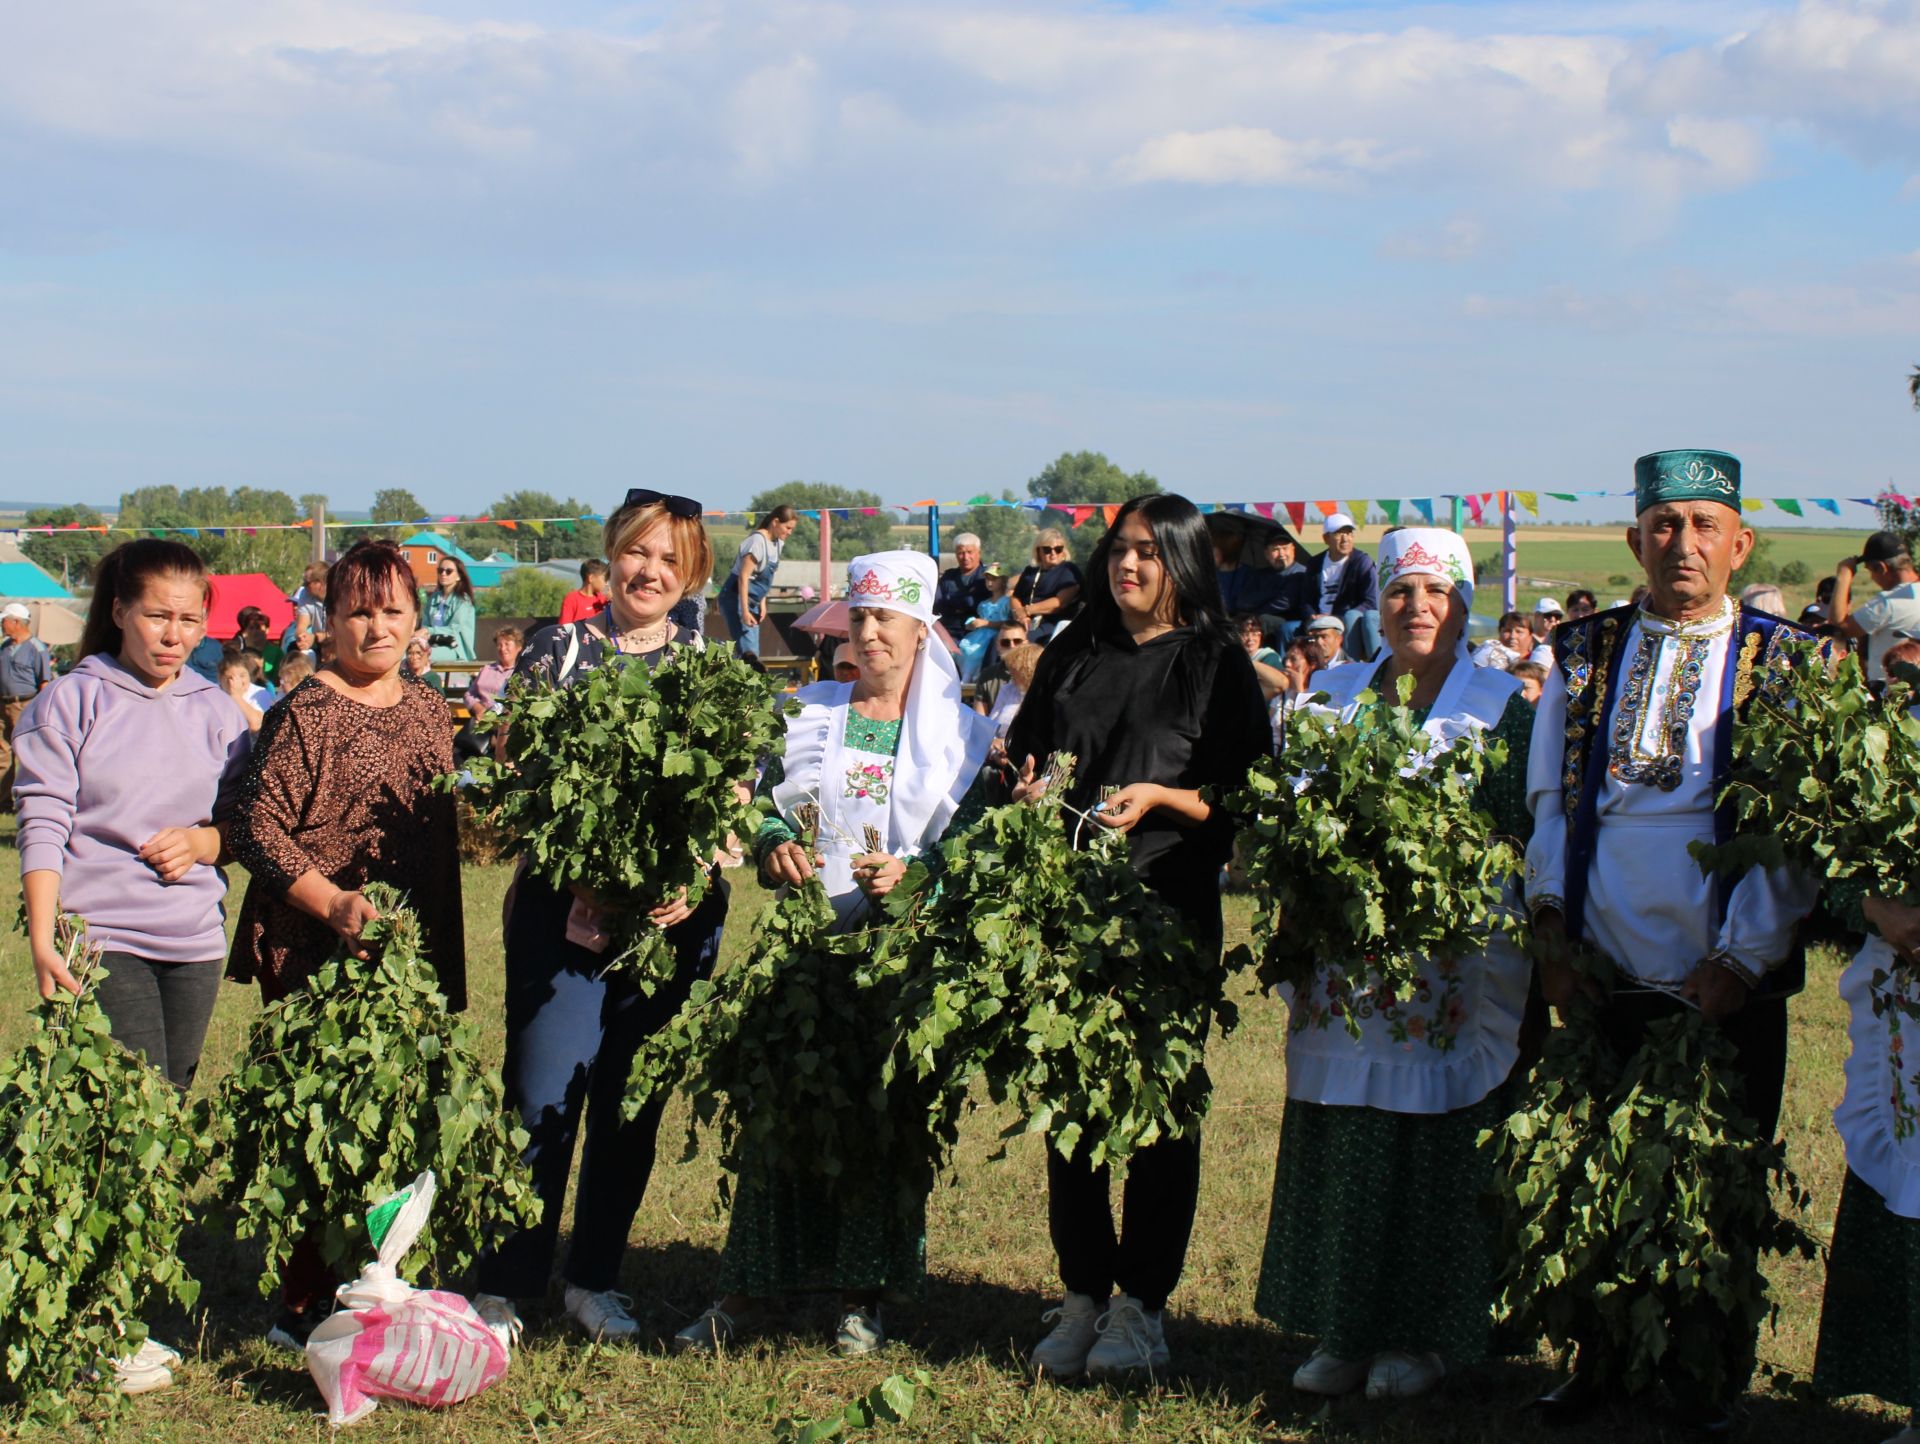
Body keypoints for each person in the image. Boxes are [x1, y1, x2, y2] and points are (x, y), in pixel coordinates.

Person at [1524, 449, 1823, 1430]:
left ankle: (1702, 1376)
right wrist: (1555, 936)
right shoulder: (1583, 651)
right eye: (1664, 524)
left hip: (1721, 969)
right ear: (1632, 539)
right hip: (1601, 963)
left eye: (1704, 525)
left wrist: (1739, 960)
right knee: (1595, 1169)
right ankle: (1601, 1360)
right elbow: (1550, 805)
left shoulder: (1784, 658)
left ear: (1740, 543)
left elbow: (1785, 830)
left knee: (1714, 1175)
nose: (1682, 544)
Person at [674, 550, 996, 1358]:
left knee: (878, 1118)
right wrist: (777, 841)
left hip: (896, 958)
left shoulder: (960, 738)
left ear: (922, 634)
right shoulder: (810, 713)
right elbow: (766, 811)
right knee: (781, 1113)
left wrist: (919, 874)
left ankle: (863, 1297)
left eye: (888, 618)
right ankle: (748, 1290)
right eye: (860, 617)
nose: (871, 633)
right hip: (805, 953)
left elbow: (969, 846)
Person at [1257, 527, 1533, 1403]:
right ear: (1378, 608)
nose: (1418, 609)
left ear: (1463, 605)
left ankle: (1423, 1336)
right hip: (1346, 971)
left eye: (1437, 593)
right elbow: (1291, 818)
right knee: (1347, 1129)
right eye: (1402, 594)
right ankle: (1345, 1327)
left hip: (1447, 969)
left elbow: (1520, 833)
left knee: (1431, 1142)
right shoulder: (1333, 696)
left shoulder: (1502, 707)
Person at [1007, 494, 1269, 1381]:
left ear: (1184, 564)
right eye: (1119, 550)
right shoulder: (1074, 650)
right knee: (1070, 1107)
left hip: (1168, 909)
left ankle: (1142, 1309)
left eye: (1150, 554)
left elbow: (1247, 800)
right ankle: (1082, 1295)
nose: (1129, 566)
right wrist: (1027, 791)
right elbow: (1024, 755)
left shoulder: (1214, 664)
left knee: (1159, 1115)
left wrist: (1163, 799)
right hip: (1067, 913)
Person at [471, 488, 732, 1347]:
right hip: (566, 914)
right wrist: (588, 878)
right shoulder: (560, 649)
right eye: (638, 553)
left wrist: (694, 871)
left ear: (690, 571)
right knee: (544, 1092)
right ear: (612, 555)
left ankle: (594, 1279)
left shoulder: (706, 656)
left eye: (671, 559)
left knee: (630, 1105)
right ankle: (507, 1283)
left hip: (672, 921)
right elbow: (527, 783)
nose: (651, 571)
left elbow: (739, 779)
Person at [11, 538, 253, 1398]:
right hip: (98, 936)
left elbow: (244, 822)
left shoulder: (218, 710)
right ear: (119, 609)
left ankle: (128, 1299)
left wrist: (207, 842)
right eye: (158, 615)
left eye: (192, 620)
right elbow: (43, 818)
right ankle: (105, 1318)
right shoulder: (71, 700)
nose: (174, 635)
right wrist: (43, 936)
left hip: (190, 940)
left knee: (164, 1115)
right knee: (127, 1116)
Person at [227, 539, 465, 1350]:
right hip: (313, 944)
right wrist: (331, 903)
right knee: (323, 1120)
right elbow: (253, 826)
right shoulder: (309, 709)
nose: (376, 627)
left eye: (393, 610)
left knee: (396, 1114)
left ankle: (379, 1283)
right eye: (358, 611)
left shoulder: (433, 708)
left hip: (407, 950)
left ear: (415, 618)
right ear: (329, 620)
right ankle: (301, 1305)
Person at [1832, 530, 1920, 684]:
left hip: (1888, 684)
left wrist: (1844, 576)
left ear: (1881, 568)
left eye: (1871, 571)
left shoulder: (1888, 603)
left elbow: (1838, 626)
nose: (1873, 578)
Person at [719, 505, 799, 656]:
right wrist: (744, 611)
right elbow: (743, 577)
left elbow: (765, 577)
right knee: (748, 652)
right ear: (775, 522)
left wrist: (763, 603)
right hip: (736, 597)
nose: (790, 532)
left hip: (753, 600)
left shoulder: (777, 543)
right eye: (787, 528)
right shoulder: (757, 542)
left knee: (752, 651)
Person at [1301, 513, 1380, 662]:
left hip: (1345, 618)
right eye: (1339, 533)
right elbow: (1305, 599)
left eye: (1349, 533)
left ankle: (1350, 665)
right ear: (1326, 538)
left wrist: (1336, 618)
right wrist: (1311, 615)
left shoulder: (1362, 562)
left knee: (1352, 616)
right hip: (1318, 617)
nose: (1345, 539)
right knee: (1286, 628)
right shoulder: (1315, 563)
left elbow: (1370, 602)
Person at [0, 602, 54, 812]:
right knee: (3, 754)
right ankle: (3, 801)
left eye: (5, 620)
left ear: (16, 622)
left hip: (25, 704)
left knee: (27, 753)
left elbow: (44, 682)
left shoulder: (36, 648)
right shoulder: (4, 647)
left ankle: (29, 800)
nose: (2, 624)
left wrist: (41, 711)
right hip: (3, 704)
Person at [1011, 530, 1084, 645]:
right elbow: (1015, 597)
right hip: (1024, 621)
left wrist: (1027, 610)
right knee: (999, 640)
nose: (1053, 553)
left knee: (1022, 641)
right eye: (1047, 550)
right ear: (1038, 551)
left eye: (1058, 549)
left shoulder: (1068, 569)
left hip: (1051, 622)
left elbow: (1060, 602)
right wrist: (1021, 616)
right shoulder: (1030, 571)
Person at [957, 564, 1014, 683]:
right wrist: (973, 624)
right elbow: (980, 620)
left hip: (993, 635)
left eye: (994, 579)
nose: (990, 582)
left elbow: (1006, 622)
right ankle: (966, 678)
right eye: (987, 579)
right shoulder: (984, 604)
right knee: (964, 649)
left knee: (975, 653)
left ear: (1003, 581)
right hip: (979, 635)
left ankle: (974, 678)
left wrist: (985, 623)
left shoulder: (1006, 602)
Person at [422, 553, 477, 665]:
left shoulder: (463, 601)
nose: (443, 574)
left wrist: (428, 631)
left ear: (458, 576)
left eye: (449, 571)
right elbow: (424, 625)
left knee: (419, 655)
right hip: (431, 644)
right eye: (440, 570)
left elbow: (454, 630)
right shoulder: (433, 598)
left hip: (454, 648)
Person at [935, 532, 990, 639]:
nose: (965, 557)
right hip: (948, 631)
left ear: (979, 553)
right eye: (961, 553)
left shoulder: (988, 577)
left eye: (970, 552)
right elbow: (937, 604)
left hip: (978, 633)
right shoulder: (948, 577)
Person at [1234, 611, 1291, 699]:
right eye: (1245, 634)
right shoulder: (1231, 659)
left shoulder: (1270, 658)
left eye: (1255, 633)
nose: (1250, 639)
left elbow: (1279, 686)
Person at [281, 561, 329, 652]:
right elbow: (301, 626)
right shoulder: (305, 594)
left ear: (320, 583)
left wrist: (315, 638)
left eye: (307, 583)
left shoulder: (340, 597)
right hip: (320, 646)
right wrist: (302, 637)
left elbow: (341, 633)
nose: (303, 586)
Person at [233, 605, 283, 682]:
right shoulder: (239, 650)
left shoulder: (276, 653)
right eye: (251, 628)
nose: (254, 631)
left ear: (267, 630)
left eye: (258, 628)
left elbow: (280, 679)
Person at [217, 655, 267, 732]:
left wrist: (235, 696)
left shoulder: (259, 693)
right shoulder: (212, 692)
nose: (238, 681)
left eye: (242, 676)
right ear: (220, 678)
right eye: (231, 678)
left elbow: (256, 725)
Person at [559, 559, 610, 625]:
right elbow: (564, 626)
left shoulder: (602, 597)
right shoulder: (572, 598)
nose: (606, 583)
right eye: (605, 579)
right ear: (591, 578)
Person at [1527, 597, 1563, 664]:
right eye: (1548, 615)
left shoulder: (1561, 642)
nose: (1553, 619)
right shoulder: (1526, 640)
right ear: (1536, 615)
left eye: (1558, 616)